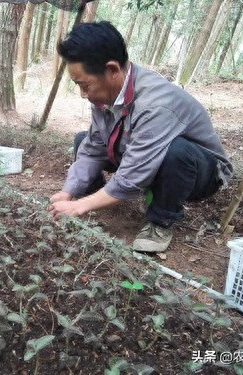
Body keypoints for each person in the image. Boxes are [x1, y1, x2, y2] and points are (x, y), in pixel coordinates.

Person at [47, 21, 233, 253]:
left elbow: (134, 173)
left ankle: (160, 222)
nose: (83, 94)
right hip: (142, 155)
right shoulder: (104, 94)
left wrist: (80, 207)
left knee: (177, 152)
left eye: (85, 85)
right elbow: (94, 147)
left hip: (200, 172)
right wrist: (68, 192)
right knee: (83, 139)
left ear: (112, 70)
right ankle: (97, 198)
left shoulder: (155, 104)